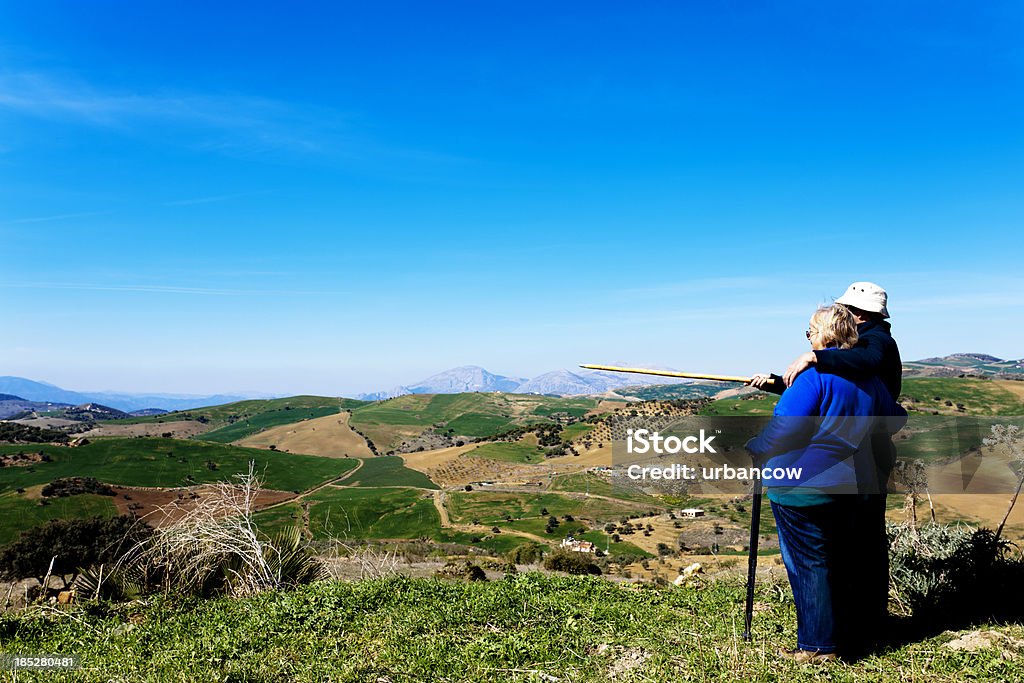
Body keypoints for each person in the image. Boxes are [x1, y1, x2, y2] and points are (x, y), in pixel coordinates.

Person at [745, 304, 906, 663]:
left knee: (809, 564)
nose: (808, 338)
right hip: (850, 485)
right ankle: (848, 636)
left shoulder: (813, 376)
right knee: (841, 560)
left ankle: (818, 647)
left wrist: (755, 448)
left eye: (810, 331)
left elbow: (784, 429)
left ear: (826, 334)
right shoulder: (870, 380)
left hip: (801, 486)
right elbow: (895, 417)